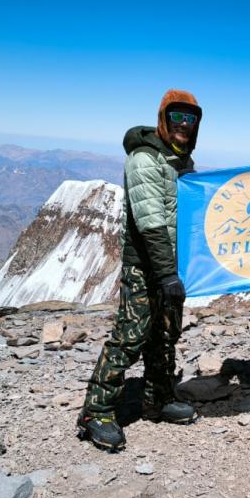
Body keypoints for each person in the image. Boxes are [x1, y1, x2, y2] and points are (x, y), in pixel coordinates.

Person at [78, 89, 202, 452]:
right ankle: (96, 411)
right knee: (130, 337)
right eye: (176, 116)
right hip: (146, 267)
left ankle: (158, 400)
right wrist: (166, 274)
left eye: (190, 118)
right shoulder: (144, 159)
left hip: (171, 267)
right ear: (163, 118)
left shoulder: (182, 162)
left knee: (165, 335)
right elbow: (151, 224)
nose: (183, 124)